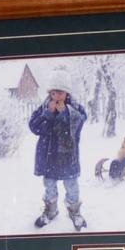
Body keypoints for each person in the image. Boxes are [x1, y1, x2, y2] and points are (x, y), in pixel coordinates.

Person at [28, 80, 88, 228]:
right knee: (49, 184)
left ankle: (75, 212)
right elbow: (34, 127)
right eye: (52, 93)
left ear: (67, 92)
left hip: (67, 156)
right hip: (49, 155)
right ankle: (51, 211)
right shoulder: (44, 107)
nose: (56, 96)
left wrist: (65, 113)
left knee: (71, 184)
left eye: (59, 92)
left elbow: (78, 125)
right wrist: (48, 113)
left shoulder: (75, 108)